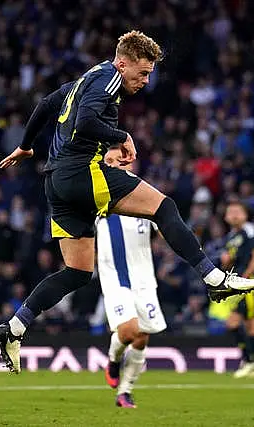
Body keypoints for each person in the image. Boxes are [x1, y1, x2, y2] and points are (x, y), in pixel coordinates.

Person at [0, 30, 254, 374]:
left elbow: (46, 104)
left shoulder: (85, 79)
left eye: (149, 74)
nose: (146, 81)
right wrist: (122, 136)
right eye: (142, 73)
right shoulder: (108, 78)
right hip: (81, 173)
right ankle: (213, 279)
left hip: (56, 183)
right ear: (123, 63)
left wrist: (27, 145)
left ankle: (14, 328)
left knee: (76, 272)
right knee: (164, 208)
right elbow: (87, 120)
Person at [98, 149, 165, 408]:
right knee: (129, 330)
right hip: (115, 276)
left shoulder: (146, 194)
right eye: (109, 161)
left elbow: (164, 227)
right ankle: (114, 360)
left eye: (118, 160)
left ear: (128, 161)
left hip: (144, 278)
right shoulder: (95, 196)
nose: (114, 164)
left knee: (142, 336)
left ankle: (125, 392)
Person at [220, 201, 254, 378]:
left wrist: (246, 277)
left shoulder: (249, 230)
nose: (233, 215)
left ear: (245, 215)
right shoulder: (231, 236)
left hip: (247, 283)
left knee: (232, 322)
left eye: (237, 211)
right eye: (230, 211)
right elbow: (231, 262)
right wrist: (227, 262)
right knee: (252, 324)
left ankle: (249, 360)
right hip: (238, 283)